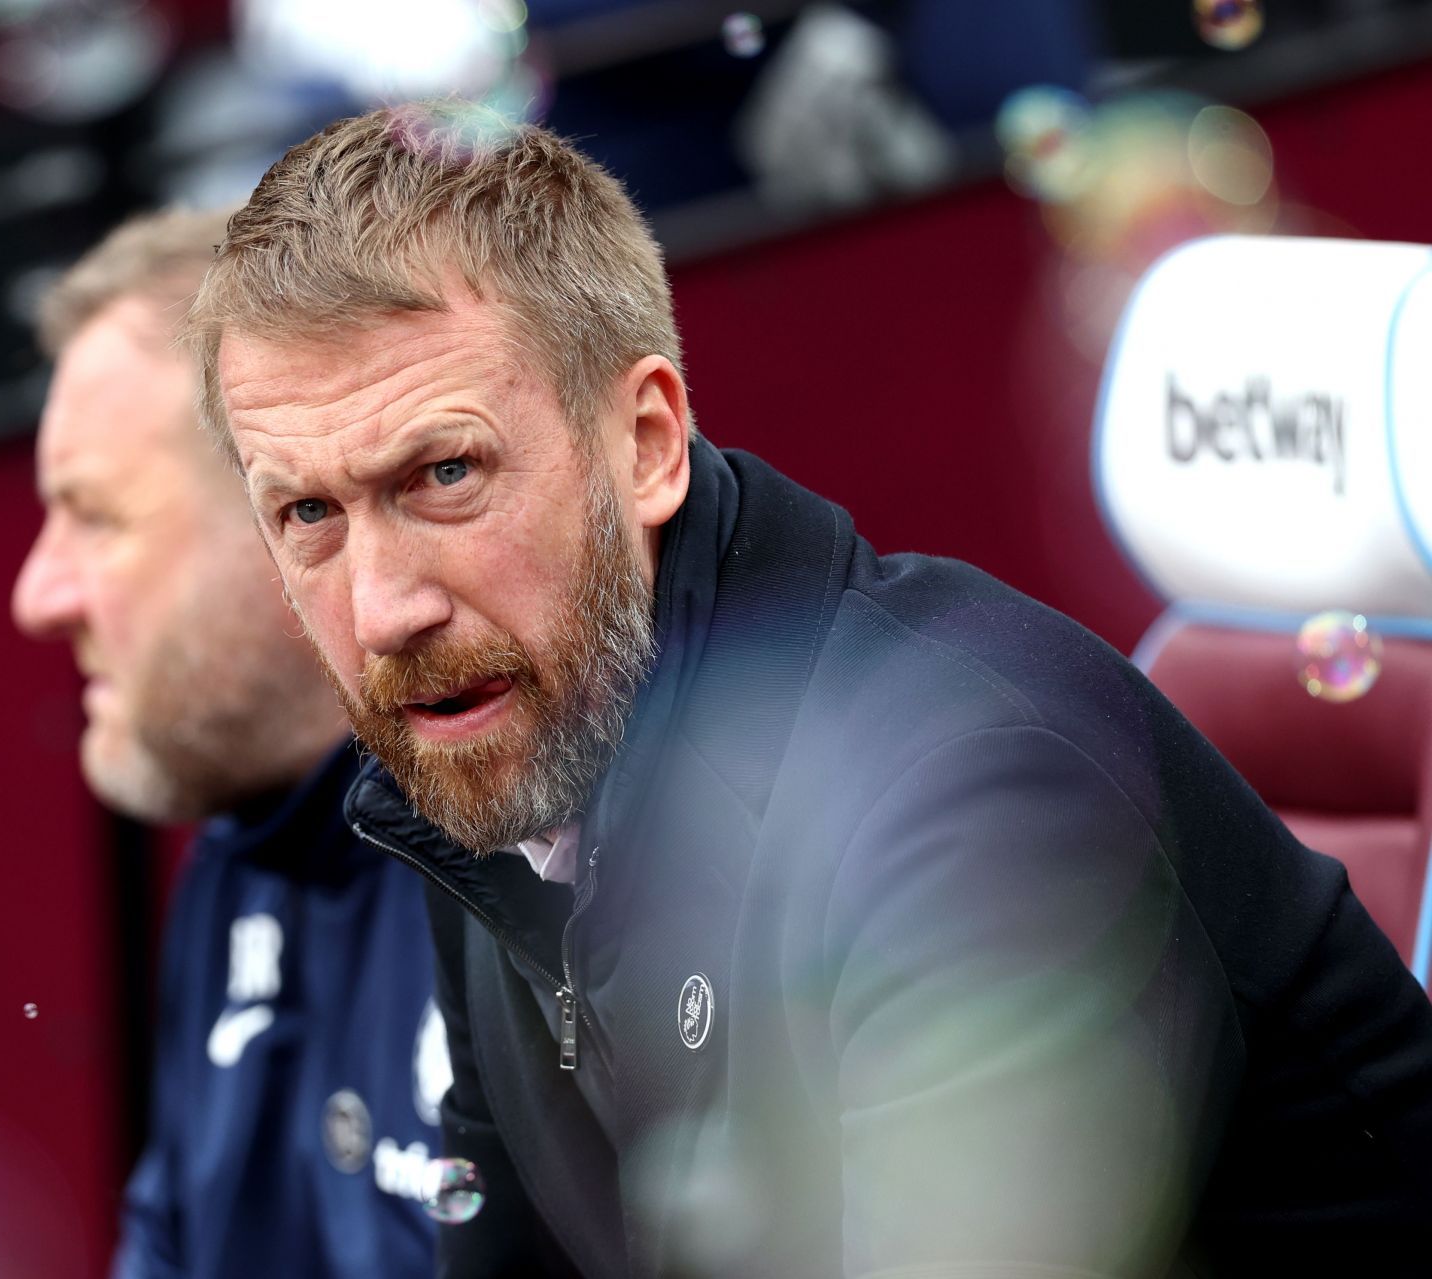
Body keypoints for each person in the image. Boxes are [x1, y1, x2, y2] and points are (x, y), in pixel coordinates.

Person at [177, 104, 1432, 1277]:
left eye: (446, 473)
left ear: (649, 445)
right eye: (308, 513)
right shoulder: (494, 748)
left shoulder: (975, 790)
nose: (386, 607)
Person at [11, 207, 446, 1279]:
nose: (36, 594)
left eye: (94, 516)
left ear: (292, 516)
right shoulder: (241, 858)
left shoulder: (575, 866)